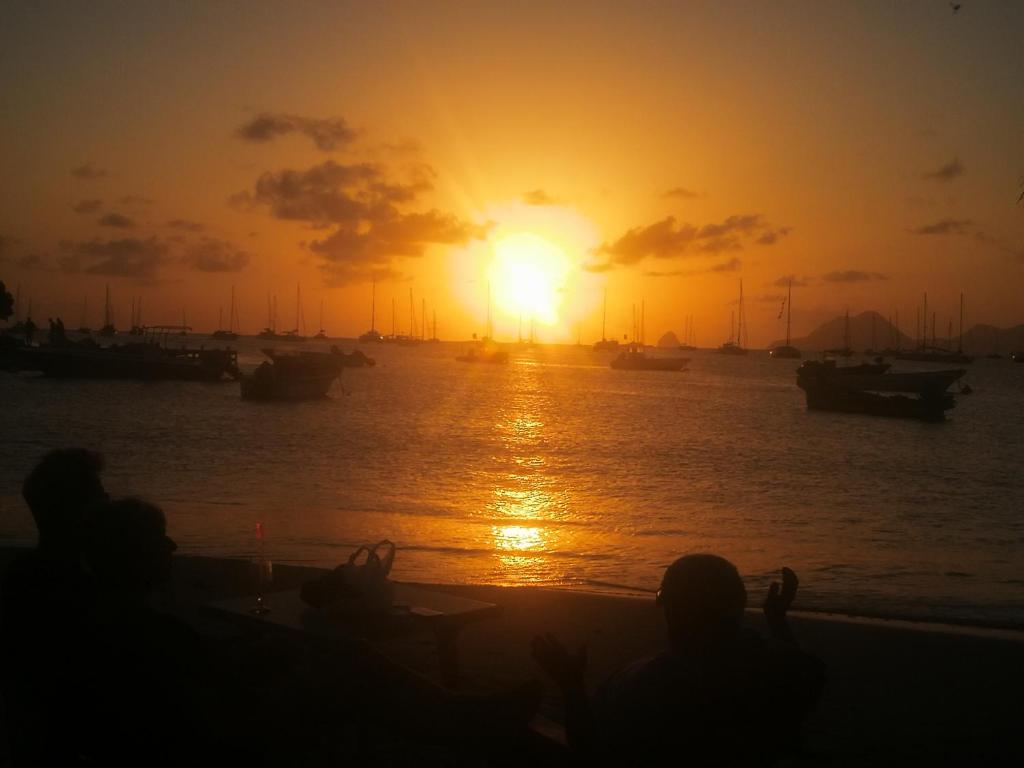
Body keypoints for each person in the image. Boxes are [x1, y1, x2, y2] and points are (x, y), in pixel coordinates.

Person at [532, 554, 825, 766]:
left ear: (671, 607)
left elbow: (589, 750)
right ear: (738, 604)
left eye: (663, 596)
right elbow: (792, 669)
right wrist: (777, 622)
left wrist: (571, 686)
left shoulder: (651, 686)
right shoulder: (792, 671)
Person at [0, 448, 107, 765]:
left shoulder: (25, 576)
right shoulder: (73, 587)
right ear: (80, 510)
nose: (108, 501)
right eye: (100, 495)